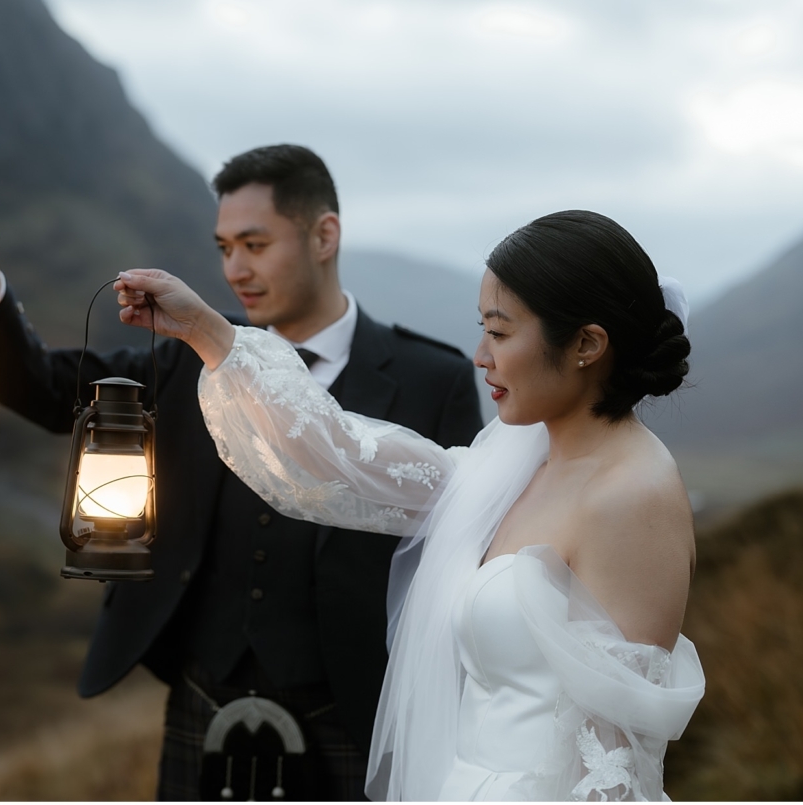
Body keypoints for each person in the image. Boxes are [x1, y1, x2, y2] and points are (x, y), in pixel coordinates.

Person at [0, 144, 484, 800]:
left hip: (354, 714)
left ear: (324, 235)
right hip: (201, 693)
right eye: (224, 248)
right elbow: (52, 389)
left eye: (254, 243)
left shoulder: (431, 378)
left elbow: (459, 554)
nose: (235, 270)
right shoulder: (189, 364)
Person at [112, 209, 707, 800]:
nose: (480, 355)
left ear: (586, 343)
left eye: (499, 333)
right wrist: (208, 333)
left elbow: (615, 765)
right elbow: (341, 457)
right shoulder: (515, 464)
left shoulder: (635, 497)